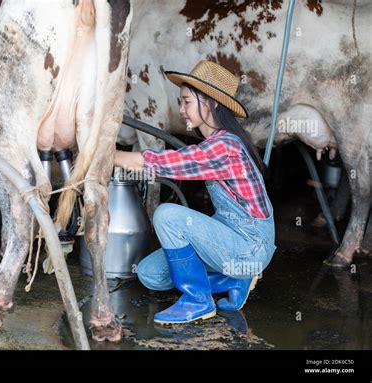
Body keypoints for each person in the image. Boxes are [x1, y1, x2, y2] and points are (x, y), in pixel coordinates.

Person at [113, 60, 277, 325]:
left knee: (167, 215)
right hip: (229, 238)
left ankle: (197, 301)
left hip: (250, 244)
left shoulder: (225, 147)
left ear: (210, 103)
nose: (181, 110)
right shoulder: (215, 143)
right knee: (149, 274)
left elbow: (165, 163)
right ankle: (236, 277)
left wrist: (107, 154)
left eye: (186, 102)